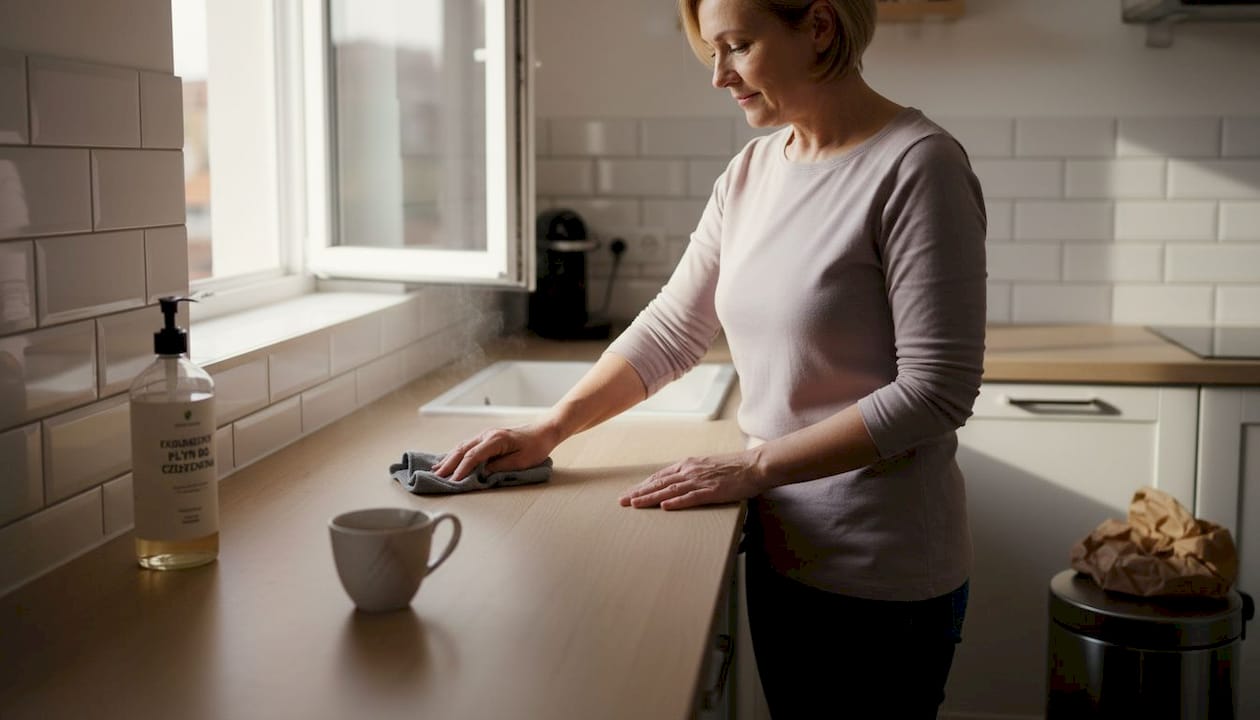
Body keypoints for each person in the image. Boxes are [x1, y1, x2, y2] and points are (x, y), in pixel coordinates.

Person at [435, 0, 986, 716]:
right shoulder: (755, 169)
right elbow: (672, 328)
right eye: (713, 51)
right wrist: (552, 427)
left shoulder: (918, 165)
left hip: (882, 574)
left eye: (738, 46)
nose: (719, 75)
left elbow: (937, 390)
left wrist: (755, 466)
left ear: (818, 26)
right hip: (784, 545)